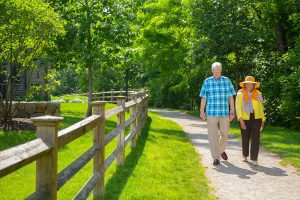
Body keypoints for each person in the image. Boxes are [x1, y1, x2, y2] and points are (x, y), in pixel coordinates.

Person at [199, 62, 236, 165]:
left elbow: (231, 97)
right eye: (215, 72)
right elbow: (204, 97)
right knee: (212, 135)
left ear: (221, 70)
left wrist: (232, 110)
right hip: (211, 112)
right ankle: (216, 157)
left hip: (224, 112)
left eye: (218, 72)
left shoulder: (227, 80)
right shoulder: (207, 82)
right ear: (212, 71)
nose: (216, 74)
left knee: (224, 134)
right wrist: (202, 111)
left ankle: (221, 149)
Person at [235, 76, 265, 166]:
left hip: (257, 118)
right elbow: (238, 107)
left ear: (253, 85)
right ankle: (245, 155)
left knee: (256, 138)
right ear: (244, 84)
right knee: (245, 137)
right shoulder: (240, 93)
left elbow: (261, 107)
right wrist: (240, 120)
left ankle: (254, 158)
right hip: (244, 118)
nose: (249, 86)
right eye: (247, 84)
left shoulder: (258, 93)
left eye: (250, 84)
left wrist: (263, 121)